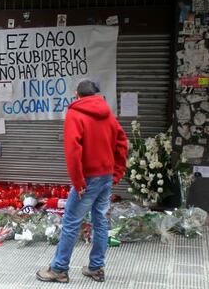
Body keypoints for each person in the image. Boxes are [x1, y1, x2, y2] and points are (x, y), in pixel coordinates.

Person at [36, 80, 128, 283]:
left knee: (71, 222)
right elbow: (122, 143)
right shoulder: (108, 115)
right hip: (105, 177)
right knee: (100, 221)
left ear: (77, 94)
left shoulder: (75, 114)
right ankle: (96, 268)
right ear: (96, 95)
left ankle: (59, 269)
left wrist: (78, 182)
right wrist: (116, 173)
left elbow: (72, 152)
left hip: (88, 178)